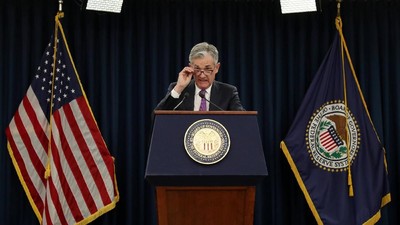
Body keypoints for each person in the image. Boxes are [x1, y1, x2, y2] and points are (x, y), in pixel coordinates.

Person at [155, 42, 245, 111]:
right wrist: (179, 88)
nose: (202, 75)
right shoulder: (179, 90)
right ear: (190, 68)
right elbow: (157, 119)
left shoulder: (228, 93)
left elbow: (242, 122)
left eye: (207, 69)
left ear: (216, 68)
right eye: (197, 69)